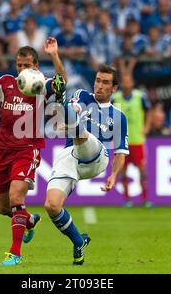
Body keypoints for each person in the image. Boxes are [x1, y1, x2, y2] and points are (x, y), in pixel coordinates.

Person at [0, 37, 67, 266]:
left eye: (26, 65)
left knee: (16, 198)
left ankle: (15, 254)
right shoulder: (5, 83)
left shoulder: (42, 85)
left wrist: (54, 55)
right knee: (4, 208)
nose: (22, 69)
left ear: (35, 66)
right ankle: (29, 221)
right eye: (19, 65)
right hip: (2, 151)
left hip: (27, 149)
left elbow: (62, 82)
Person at [44, 65, 129, 265]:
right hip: (71, 155)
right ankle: (79, 241)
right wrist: (66, 117)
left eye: (105, 82)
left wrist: (114, 175)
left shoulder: (118, 117)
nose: (99, 85)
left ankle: (59, 96)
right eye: (98, 80)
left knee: (80, 131)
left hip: (97, 157)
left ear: (114, 88)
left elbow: (120, 152)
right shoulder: (83, 95)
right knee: (52, 205)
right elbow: (75, 108)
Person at [112, 73, 152, 208]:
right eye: (124, 81)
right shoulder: (115, 98)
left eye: (129, 81)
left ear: (132, 83)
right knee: (122, 170)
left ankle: (145, 199)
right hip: (121, 141)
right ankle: (127, 199)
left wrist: (146, 127)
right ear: (121, 84)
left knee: (141, 170)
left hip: (137, 140)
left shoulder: (140, 97)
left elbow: (148, 112)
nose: (126, 84)